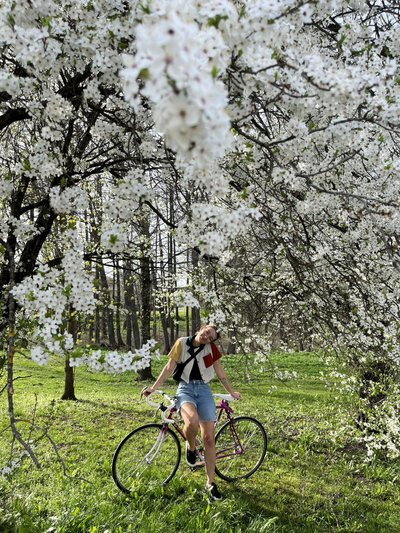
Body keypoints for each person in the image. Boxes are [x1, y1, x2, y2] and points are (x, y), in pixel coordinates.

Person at [142, 324, 241, 501]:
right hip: (185, 389)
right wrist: (153, 387)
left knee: (209, 437)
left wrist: (231, 391)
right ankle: (192, 448)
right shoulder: (181, 343)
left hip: (204, 390)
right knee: (192, 421)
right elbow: (169, 367)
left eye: (211, 338)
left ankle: (210, 483)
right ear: (201, 329)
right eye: (207, 333)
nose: (207, 338)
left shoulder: (211, 349)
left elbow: (220, 372)